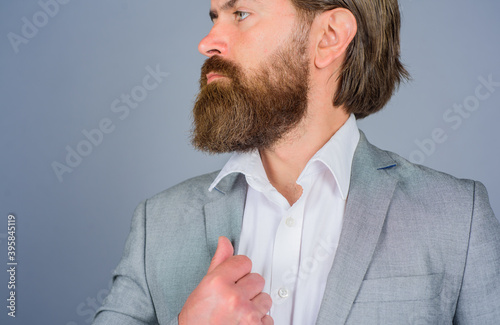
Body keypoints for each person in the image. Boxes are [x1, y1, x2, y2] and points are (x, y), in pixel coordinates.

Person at [93, 0, 500, 324]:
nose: (208, 41)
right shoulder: (157, 224)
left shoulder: (456, 219)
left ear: (329, 36)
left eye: (241, 14)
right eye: (215, 15)